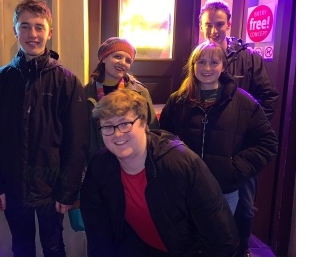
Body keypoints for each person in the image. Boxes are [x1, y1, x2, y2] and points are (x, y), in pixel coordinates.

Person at [0, 0, 88, 257]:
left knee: (54, 247)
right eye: (25, 26)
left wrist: (68, 191)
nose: (32, 34)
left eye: (39, 27)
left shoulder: (67, 81)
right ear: (15, 31)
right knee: (21, 247)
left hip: (53, 190)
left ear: (49, 32)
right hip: (13, 186)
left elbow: (77, 143)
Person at [80, 88, 239, 257]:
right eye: (108, 126)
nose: (117, 134)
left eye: (125, 124)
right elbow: (96, 229)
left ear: (143, 122)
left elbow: (223, 239)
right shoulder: (100, 165)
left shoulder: (182, 164)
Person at [199, 0, 280, 256]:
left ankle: (242, 251)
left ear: (229, 24)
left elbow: (269, 98)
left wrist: (249, 131)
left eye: (219, 24)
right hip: (207, 150)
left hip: (240, 153)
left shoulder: (249, 59)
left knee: (244, 207)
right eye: (208, 25)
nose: (213, 30)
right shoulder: (198, 58)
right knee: (206, 204)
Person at [159, 42, 278, 218]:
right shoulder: (177, 101)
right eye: (201, 62)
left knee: (218, 241)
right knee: (185, 241)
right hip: (184, 188)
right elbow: (163, 138)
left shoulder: (244, 103)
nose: (207, 67)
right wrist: (176, 168)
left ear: (223, 66)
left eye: (214, 62)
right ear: (193, 66)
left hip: (224, 191)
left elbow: (267, 144)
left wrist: (233, 169)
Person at [84, 37, 159, 159]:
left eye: (128, 60)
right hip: (99, 160)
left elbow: (153, 128)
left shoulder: (140, 92)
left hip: (132, 159)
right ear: (104, 58)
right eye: (117, 56)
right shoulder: (86, 92)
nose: (123, 62)